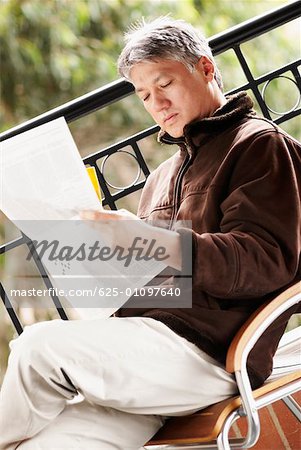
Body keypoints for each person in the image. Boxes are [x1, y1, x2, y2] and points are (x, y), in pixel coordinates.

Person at [0, 17, 300, 450]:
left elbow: (264, 261)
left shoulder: (259, 146)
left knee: (38, 348)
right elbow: (161, 280)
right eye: (144, 95)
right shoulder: (161, 177)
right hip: (146, 356)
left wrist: (148, 240)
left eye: (165, 84)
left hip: (213, 353)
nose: (156, 103)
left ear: (206, 69)